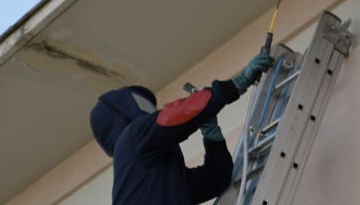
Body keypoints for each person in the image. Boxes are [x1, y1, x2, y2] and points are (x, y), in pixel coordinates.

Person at [89, 52, 274, 205]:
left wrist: (212, 135)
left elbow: (215, 179)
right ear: (124, 113)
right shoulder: (130, 140)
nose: (151, 115)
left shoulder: (155, 178)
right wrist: (236, 84)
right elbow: (173, 116)